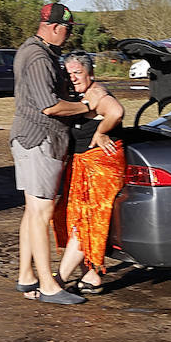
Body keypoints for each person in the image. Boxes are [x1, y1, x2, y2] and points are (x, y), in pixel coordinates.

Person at [10, 2, 92, 305]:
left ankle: (26, 277)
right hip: (39, 140)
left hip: (30, 139)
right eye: (67, 30)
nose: (68, 36)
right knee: (41, 212)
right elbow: (49, 106)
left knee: (33, 211)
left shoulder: (34, 51)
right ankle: (48, 285)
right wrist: (87, 107)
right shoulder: (38, 57)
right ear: (56, 27)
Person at [54, 52, 126, 293]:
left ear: (90, 73)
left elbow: (115, 112)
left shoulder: (97, 93)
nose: (73, 77)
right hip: (83, 166)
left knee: (84, 224)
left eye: (78, 73)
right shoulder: (80, 96)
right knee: (76, 220)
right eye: (69, 73)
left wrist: (102, 131)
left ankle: (58, 281)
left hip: (100, 169)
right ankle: (90, 276)